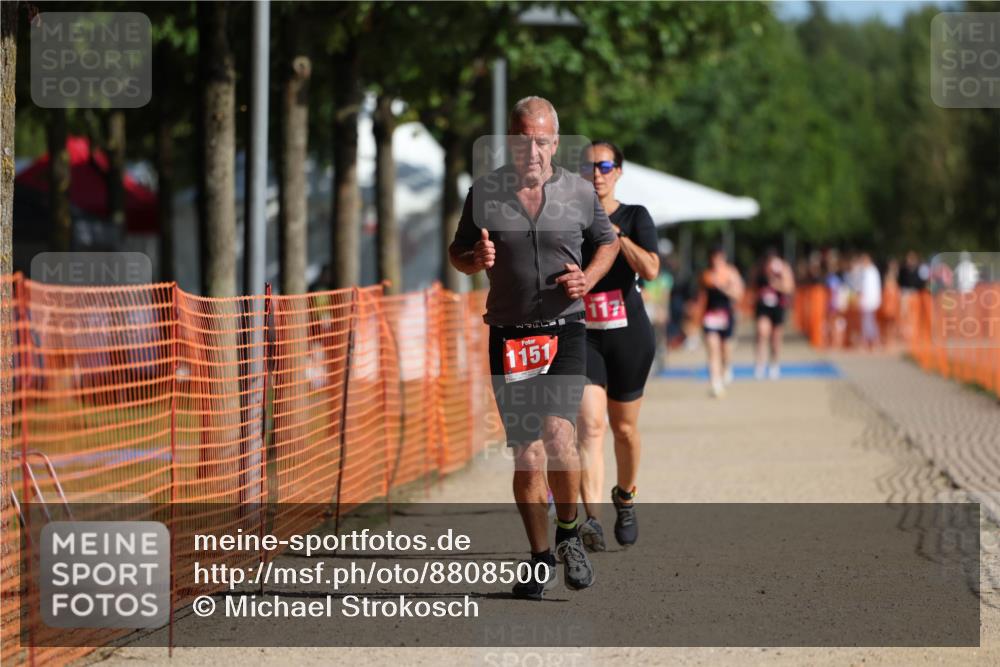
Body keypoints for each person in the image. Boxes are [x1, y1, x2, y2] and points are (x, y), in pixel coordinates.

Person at [448, 96, 619, 600]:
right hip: (510, 335)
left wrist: (586, 279)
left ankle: (569, 536)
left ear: (555, 142)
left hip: (564, 329)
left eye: (542, 141)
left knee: (559, 435)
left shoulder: (579, 193)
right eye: (523, 140)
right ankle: (540, 558)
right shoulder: (485, 192)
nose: (533, 151)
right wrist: (473, 258)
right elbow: (457, 254)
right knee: (527, 454)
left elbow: (607, 243)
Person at [573, 141, 659, 552]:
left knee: (624, 428)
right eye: (589, 166)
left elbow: (652, 269)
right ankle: (593, 523)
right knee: (590, 426)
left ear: (619, 171)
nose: (597, 172)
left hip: (628, 334)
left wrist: (616, 235)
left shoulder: (635, 216)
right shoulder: (571, 218)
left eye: (605, 165)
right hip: (584, 333)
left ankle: (625, 497)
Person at [699, 247, 744, 398]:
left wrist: (722, 286)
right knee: (713, 349)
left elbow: (738, 295)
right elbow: (701, 296)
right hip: (710, 316)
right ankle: (715, 383)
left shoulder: (731, 273)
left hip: (726, 315)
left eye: (719, 258)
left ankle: (727, 368)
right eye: (713, 258)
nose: (716, 262)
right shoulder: (706, 275)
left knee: (725, 350)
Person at [752, 248, 794, 380]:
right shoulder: (760, 269)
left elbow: (789, 287)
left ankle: (774, 363)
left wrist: (776, 282)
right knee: (762, 333)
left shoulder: (783, 269)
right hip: (763, 307)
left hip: (778, 306)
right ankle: (760, 364)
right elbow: (753, 284)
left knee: (776, 338)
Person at [856, 252, 882, 349]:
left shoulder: (872, 271)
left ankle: (874, 341)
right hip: (866, 301)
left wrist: (875, 301)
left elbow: (873, 288)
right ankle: (867, 341)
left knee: (870, 321)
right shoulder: (864, 271)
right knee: (866, 321)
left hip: (871, 301)